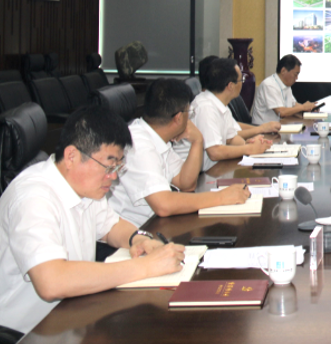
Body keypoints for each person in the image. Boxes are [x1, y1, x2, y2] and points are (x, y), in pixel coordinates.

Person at [0, 106, 185, 337]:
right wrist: (145, 267)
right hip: (27, 332)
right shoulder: (33, 198)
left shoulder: (85, 185)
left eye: (118, 166)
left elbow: (111, 226)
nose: (114, 176)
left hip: (72, 316)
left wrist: (140, 239)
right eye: (109, 166)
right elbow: (51, 282)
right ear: (71, 156)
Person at [109, 79, 251, 227]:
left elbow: (186, 183)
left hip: (157, 225)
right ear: (178, 118)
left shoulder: (157, 138)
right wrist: (221, 197)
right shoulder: (138, 145)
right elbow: (164, 205)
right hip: (136, 233)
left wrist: (197, 141)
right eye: (189, 112)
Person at [192, 58, 274, 169]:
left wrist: (250, 144)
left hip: (218, 169)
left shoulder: (221, 104)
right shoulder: (205, 107)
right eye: (241, 80)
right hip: (202, 175)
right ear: (231, 86)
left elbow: (231, 139)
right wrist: (249, 149)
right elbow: (215, 152)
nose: (242, 84)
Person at [252, 55, 316, 125]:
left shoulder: (286, 85)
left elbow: (293, 105)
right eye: (295, 74)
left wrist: (309, 109)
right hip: (262, 129)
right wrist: (303, 107)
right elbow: (281, 112)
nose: (297, 78)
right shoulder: (269, 85)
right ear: (283, 71)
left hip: (279, 125)